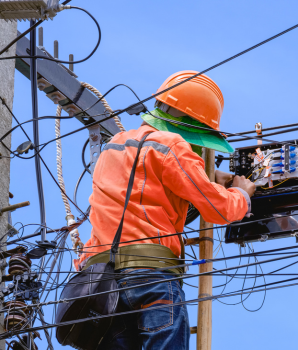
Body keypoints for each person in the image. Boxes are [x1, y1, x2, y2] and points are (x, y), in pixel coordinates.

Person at [76, 70, 255, 349]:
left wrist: (206, 178)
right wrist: (241, 192)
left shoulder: (113, 146)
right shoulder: (172, 145)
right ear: (193, 126)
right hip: (151, 277)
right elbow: (220, 209)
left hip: (101, 283)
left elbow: (136, 193)